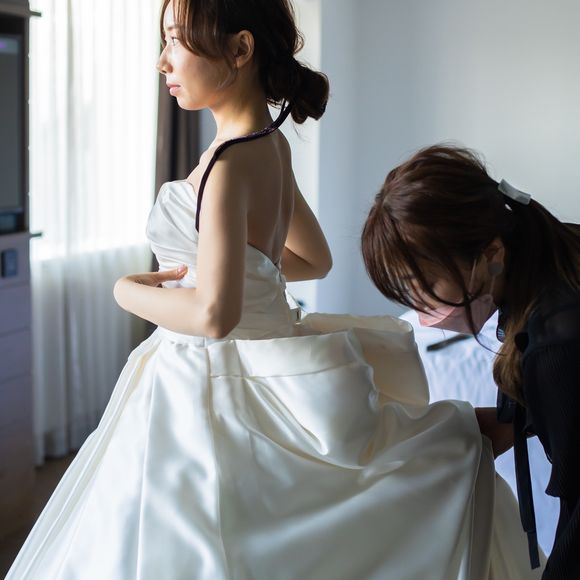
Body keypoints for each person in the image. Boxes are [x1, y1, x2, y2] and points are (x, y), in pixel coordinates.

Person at [7, 2, 539, 578]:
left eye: (175, 40)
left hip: (207, 372)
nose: (162, 61)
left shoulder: (227, 164)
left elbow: (215, 316)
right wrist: (233, 268)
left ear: (240, 49)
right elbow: (313, 259)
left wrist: (125, 289)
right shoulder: (270, 144)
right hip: (259, 360)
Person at [362, 144, 580, 580]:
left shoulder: (553, 344)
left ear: (491, 255)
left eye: (426, 282)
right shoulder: (554, 254)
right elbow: (533, 416)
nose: (420, 305)